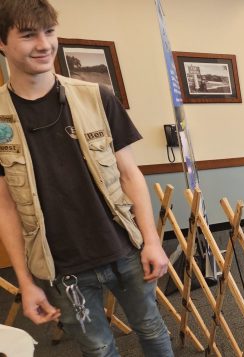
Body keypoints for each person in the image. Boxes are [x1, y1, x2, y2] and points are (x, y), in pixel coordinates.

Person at [0, 1, 172, 356]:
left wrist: (152, 241)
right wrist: (26, 282)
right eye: (29, 35)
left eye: (49, 32)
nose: (44, 44)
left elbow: (129, 174)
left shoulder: (96, 98)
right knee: (97, 350)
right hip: (62, 266)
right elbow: (5, 207)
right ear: (2, 43)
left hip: (125, 249)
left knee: (153, 332)